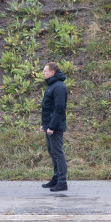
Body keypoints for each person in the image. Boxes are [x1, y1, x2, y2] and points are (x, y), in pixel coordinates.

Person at [40, 62, 68, 192]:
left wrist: (51, 126)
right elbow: (48, 107)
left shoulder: (59, 87)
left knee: (58, 153)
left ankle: (62, 181)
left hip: (55, 127)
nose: (43, 73)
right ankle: (56, 178)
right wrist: (44, 125)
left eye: (45, 71)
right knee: (52, 152)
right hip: (49, 125)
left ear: (52, 72)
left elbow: (59, 109)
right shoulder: (51, 85)